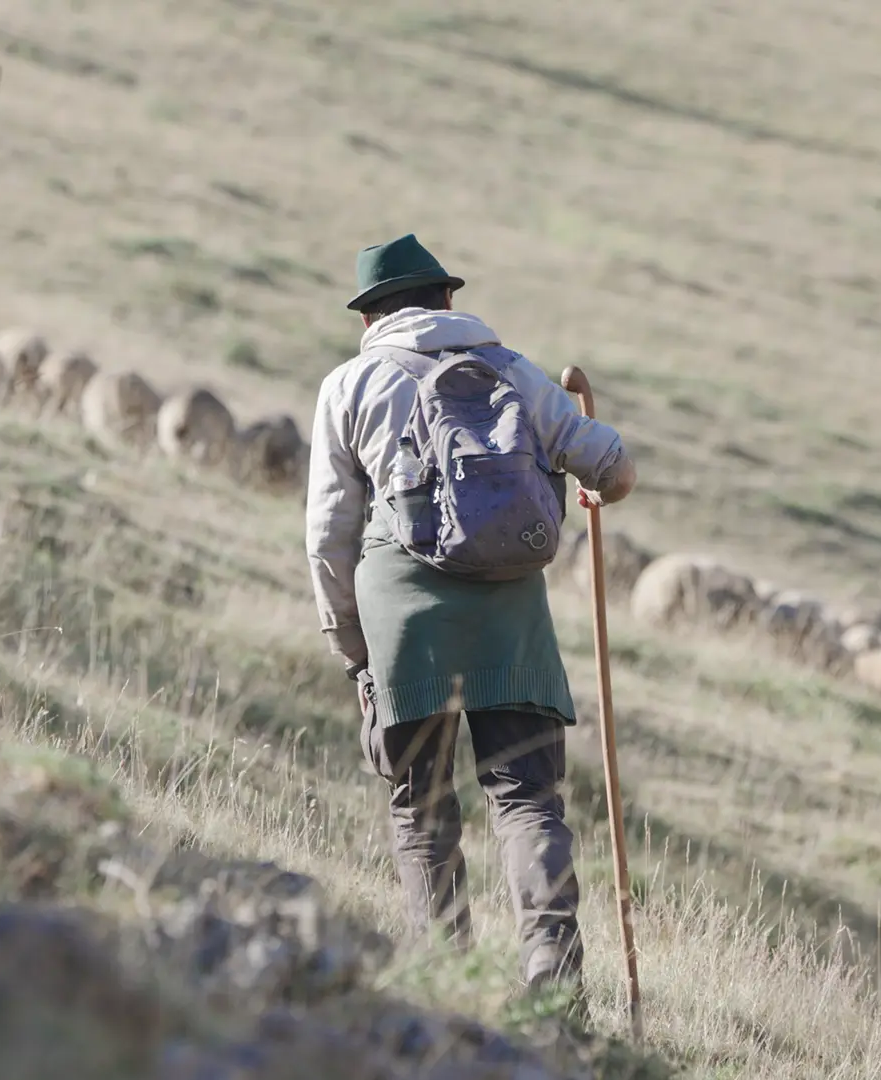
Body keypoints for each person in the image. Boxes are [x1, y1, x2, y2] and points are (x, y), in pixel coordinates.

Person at [304, 233, 637, 999]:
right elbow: (613, 466)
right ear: (448, 301)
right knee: (528, 803)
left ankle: (446, 987)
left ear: (369, 319)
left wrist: (354, 650)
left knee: (421, 811)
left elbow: (329, 536)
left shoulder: (350, 386)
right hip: (510, 622)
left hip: (406, 629)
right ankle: (554, 983)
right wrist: (594, 493)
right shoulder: (511, 368)